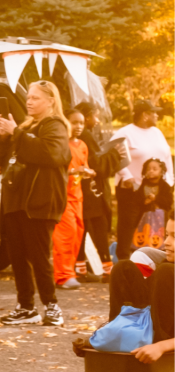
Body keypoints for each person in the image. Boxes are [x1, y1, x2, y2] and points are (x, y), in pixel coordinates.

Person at [0, 81, 71, 326]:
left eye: (36, 98)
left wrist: (16, 133)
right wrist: (4, 137)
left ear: (50, 100)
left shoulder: (55, 125)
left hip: (39, 201)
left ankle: (52, 306)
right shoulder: (26, 126)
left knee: (39, 256)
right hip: (16, 200)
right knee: (17, 256)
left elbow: (50, 154)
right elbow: (2, 159)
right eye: (28, 97)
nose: (29, 101)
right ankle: (26, 307)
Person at [106, 209, 173, 363]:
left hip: (166, 337)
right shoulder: (165, 262)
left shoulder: (167, 271)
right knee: (123, 268)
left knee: (167, 271)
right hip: (145, 324)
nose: (167, 242)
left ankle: (155, 337)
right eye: (168, 235)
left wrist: (162, 346)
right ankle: (115, 331)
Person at [112, 99, 174, 260]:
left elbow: (166, 157)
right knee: (129, 225)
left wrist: (170, 180)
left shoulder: (157, 132)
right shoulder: (125, 133)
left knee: (160, 224)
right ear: (144, 115)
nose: (157, 116)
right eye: (154, 112)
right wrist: (127, 176)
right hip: (133, 189)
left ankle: (158, 259)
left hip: (158, 188)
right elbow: (112, 156)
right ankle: (124, 260)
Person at [73, 101, 123, 282]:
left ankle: (79, 269)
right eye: (95, 116)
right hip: (91, 192)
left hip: (80, 190)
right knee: (100, 228)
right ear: (86, 117)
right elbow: (97, 164)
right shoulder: (85, 135)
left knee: (83, 229)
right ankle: (107, 270)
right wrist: (115, 154)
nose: (97, 120)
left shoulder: (79, 136)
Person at [51, 110, 92, 290]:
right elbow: (57, 169)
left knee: (77, 234)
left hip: (78, 197)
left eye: (81, 123)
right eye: (74, 122)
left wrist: (88, 171)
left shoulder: (82, 145)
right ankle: (62, 275)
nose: (79, 127)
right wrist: (76, 171)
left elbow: (84, 166)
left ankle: (69, 272)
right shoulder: (61, 144)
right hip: (62, 196)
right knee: (65, 234)